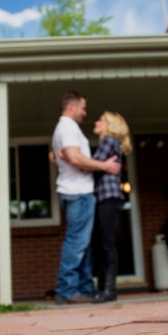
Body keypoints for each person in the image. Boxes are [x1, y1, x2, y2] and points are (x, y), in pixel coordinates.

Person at [52, 91, 121, 304]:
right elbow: (74, 157)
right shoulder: (69, 127)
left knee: (83, 244)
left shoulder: (63, 128)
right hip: (78, 193)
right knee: (76, 243)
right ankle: (67, 291)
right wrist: (105, 166)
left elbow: (62, 156)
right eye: (82, 107)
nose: (85, 112)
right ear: (72, 107)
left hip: (75, 192)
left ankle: (84, 288)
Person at [88, 112, 133, 303]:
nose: (96, 122)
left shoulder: (108, 141)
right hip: (106, 199)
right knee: (102, 244)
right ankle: (104, 290)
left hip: (109, 198)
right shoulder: (109, 142)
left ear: (110, 126)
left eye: (101, 120)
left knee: (106, 244)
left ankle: (109, 290)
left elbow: (91, 165)